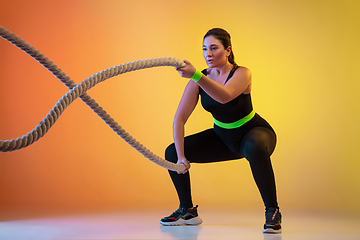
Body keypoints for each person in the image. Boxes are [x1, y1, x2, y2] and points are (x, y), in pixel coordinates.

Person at [159, 28, 282, 233]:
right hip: (222, 138)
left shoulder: (242, 73)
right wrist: (181, 157)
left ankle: (273, 211)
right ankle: (187, 210)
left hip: (253, 132)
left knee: (254, 144)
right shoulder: (199, 80)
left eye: (214, 48)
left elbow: (224, 96)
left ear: (227, 50)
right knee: (171, 152)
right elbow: (179, 119)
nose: (208, 54)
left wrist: (197, 75)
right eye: (205, 49)